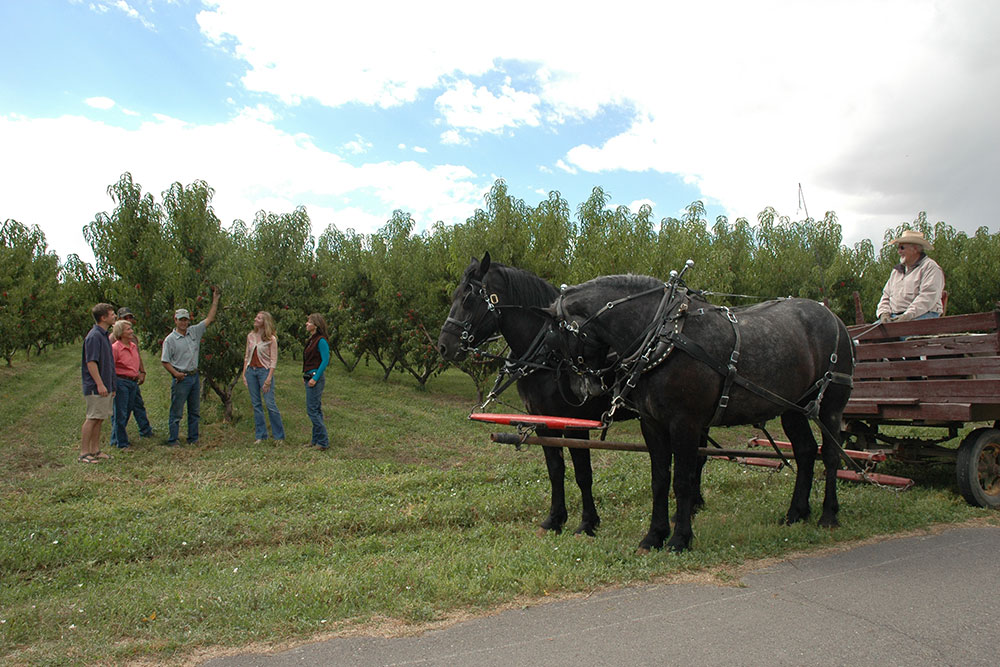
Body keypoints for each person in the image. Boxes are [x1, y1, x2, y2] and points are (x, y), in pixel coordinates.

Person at [161, 286, 220, 445]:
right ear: (175, 320)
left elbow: (209, 319)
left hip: (194, 376)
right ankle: (173, 439)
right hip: (181, 377)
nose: (184, 322)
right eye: (181, 319)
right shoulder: (170, 340)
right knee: (177, 411)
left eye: (186, 319)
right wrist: (175, 374)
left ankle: (192, 439)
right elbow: (165, 361)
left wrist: (215, 300)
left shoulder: (194, 332)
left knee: (194, 411)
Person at [876, 230, 945, 323]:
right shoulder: (896, 271)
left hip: (924, 315)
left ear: (915, 249)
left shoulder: (930, 267)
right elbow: (886, 296)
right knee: (868, 336)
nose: (899, 251)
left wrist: (907, 315)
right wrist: (884, 313)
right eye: (898, 248)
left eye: (902, 248)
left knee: (903, 334)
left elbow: (928, 297)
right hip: (895, 317)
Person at [110, 307, 153, 448]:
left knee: (130, 410)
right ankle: (120, 442)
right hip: (121, 381)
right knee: (120, 413)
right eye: (128, 328)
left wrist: (141, 371)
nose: (131, 330)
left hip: (132, 381)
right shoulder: (115, 346)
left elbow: (138, 358)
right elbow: (110, 366)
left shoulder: (133, 345)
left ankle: (123, 437)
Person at [80, 303, 117, 463]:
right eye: (112, 313)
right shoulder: (94, 336)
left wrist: (111, 385)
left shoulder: (104, 335)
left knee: (100, 418)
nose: (114, 316)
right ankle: (84, 452)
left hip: (106, 384)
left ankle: (95, 450)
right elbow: (91, 363)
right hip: (96, 386)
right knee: (92, 417)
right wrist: (100, 384)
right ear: (103, 317)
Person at [242, 310, 285, 444]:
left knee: (270, 403)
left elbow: (273, 360)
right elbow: (246, 356)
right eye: (256, 317)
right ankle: (261, 435)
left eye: (259, 318)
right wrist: (244, 373)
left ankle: (279, 436)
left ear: (264, 321)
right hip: (251, 371)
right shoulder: (250, 336)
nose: (255, 319)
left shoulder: (271, 339)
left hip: (264, 371)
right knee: (256, 404)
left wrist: (269, 378)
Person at [302, 313, 331, 449]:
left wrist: (315, 378)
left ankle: (323, 441)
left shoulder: (321, 340)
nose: (306, 324)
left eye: (309, 322)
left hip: (315, 377)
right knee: (316, 409)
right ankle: (315, 440)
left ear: (316, 325)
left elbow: (325, 360)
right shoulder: (311, 340)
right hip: (309, 375)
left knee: (312, 410)